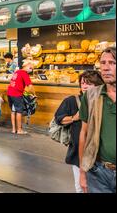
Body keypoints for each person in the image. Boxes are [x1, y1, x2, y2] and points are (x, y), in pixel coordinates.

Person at [54, 71, 104, 193]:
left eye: (89, 83)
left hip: (100, 154)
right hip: (78, 152)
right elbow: (59, 119)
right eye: (82, 83)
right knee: (81, 187)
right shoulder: (72, 101)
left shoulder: (103, 101)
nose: (85, 86)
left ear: (98, 85)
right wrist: (73, 118)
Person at [79, 47, 116, 193]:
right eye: (103, 63)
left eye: (112, 63)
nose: (106, 68)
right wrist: (82, 172)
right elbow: (84, 134)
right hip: (99, 173)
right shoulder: (91, 96)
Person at [7, 59, 36, 135]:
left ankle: (14, 129)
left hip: (10, 92)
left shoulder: (17, 72)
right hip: (16, 94)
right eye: (30, 68)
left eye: (32, 68)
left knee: (13, 111)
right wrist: (34, 94)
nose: (31, 70)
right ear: (26, 66)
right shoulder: (24, 73)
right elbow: (30, 86)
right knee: (19, 111)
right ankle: (19, 130)